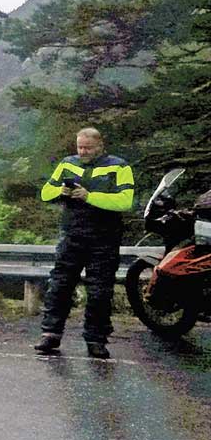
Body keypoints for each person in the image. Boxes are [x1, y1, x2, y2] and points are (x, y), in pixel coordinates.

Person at [34, 128, 135, 359]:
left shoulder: (119, 166)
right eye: (80, 147)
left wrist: (89, 196)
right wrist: (60, 191)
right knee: (60, 285)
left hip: (104, 239)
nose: (83, 152)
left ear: (100, 146)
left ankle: (96, 339)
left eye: (88, 148)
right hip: (72, 235)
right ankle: (50, 333)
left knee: (100, 291)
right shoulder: (68, 163)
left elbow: (125, 201)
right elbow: (45, 193)